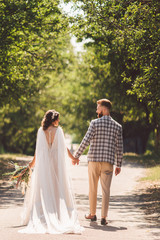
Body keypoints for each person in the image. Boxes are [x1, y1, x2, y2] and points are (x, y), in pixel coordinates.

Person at [19, 110, 83, 234]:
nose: (59, 121)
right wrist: (73, 158)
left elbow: (38, 151)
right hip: (55, 163)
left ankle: (44, 212)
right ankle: (57, 214)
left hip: (44, 164)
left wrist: (31, 165)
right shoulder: (58, 131)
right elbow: (64, 149)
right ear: (54, 120)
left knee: (44, 188)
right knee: (57, 188)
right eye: (58, 119)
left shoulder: (41, 131)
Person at [74, 99, 123, 225]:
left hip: (94, 161)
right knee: (106, 190)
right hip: (108, 162)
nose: (96, 110)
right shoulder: (117, 126)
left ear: (104, 109)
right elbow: (120, 148)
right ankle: (104, 218)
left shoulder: (94, 123)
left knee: (93, 188)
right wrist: (119, 165)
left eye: (98, 107)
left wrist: (76, 156)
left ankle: (92, 214)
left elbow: (86, 140)